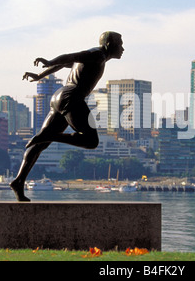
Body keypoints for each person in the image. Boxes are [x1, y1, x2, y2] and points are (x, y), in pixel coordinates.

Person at [10, 31, 124, 201]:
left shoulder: (96, 56)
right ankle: (50, 136)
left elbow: (67, 63)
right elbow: (69, 56)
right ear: (109, 45)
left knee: (40, 144)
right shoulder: (98, 54)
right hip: (72, 98)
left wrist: (40, 75)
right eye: (120, 44)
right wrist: (49, 61)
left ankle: (18, 182)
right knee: (91, 141)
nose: (122, 48)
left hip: (59, 97)